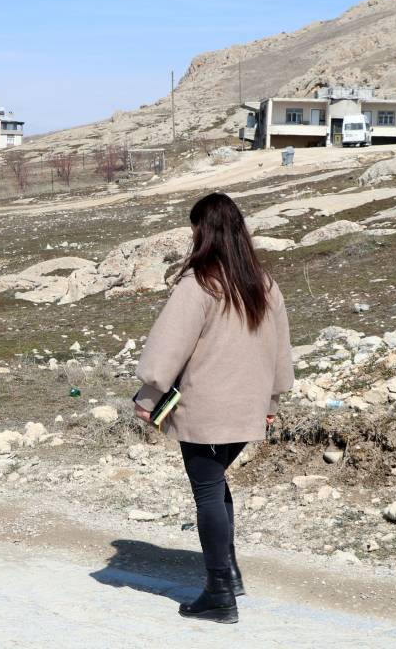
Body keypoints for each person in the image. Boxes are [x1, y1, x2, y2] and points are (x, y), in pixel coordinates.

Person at [133, 192, 293, 624]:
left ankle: (220, 593)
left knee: (207, 492)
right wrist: (273, 400)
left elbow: (166, 351)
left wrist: (148, 399)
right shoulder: (264, 283)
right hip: (250, 409)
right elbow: (281, 350)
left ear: (202, 232)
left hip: (205, 408)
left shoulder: (200, 283)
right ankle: (232, 574)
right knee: (217, 485)